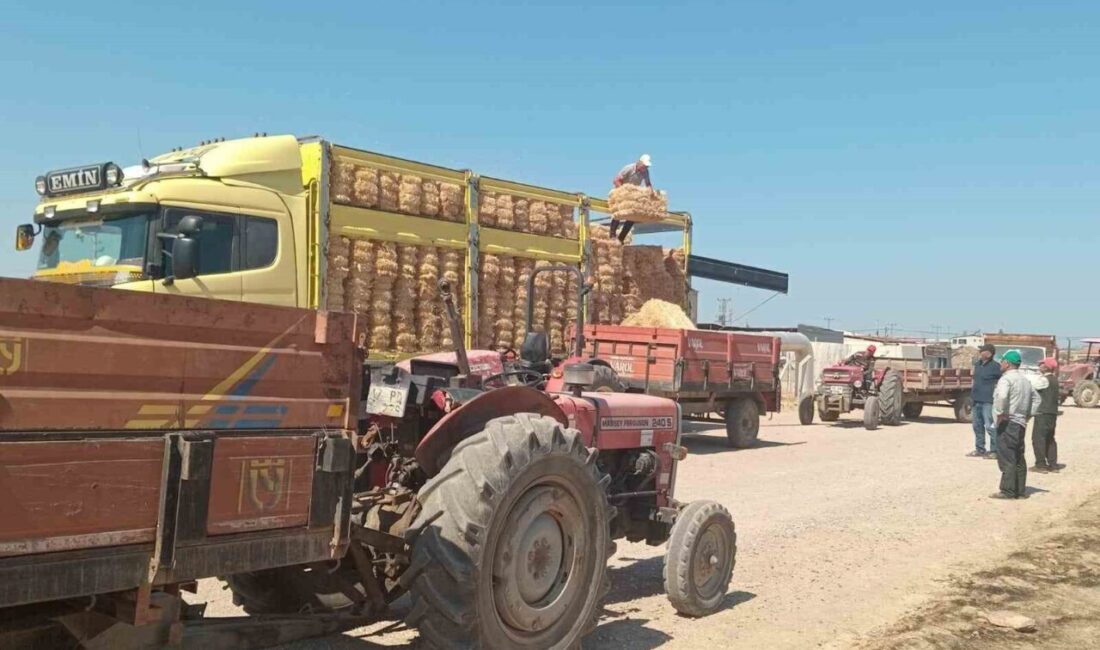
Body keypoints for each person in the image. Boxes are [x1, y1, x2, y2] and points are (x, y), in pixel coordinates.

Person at [990, 349, 1038, 499]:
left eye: (1002, 361)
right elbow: (1037, 399)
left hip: (1008, 422)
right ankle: (1020, 490)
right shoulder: (1025, 380)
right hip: (1020, 422)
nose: (1000, 364)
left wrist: (1000, 413)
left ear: (1007, 363)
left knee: (1007, 456)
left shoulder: (1006, 379)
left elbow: (1002, 396)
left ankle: (1008, 491)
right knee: (1018, 455)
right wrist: (1028, 415)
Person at [610, 154, 654, 243]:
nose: (646, 168)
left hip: (633, 196)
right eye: (645, 166)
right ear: (639, 163)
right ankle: (612, 235)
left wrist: (651, 192)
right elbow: (616, 180)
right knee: (619, 212)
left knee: (633, 216)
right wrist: (625, 190)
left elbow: (648, 184)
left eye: (647, 166)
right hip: (622, 192)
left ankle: (621, 239)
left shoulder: (645, 172)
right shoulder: (628, 168)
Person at [969, 343, 1002, 459]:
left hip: (988, 401)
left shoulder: (996, 367)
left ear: (989, 353)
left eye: (982, 351)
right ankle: (980, 449)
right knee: (977, 426)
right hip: (976, 400)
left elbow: (1002, 382)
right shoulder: (977, 365)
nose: (980, 352)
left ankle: (995, 451)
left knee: (990, 426)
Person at [1030, 357, 1061, 473]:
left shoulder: (1044, 380)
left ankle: (1041, 464)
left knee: (1038, 438)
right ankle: (1053, 464)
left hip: (1042, 412)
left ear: (1046, 367)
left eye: (1041, 364)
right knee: (1050, 438)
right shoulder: (1055, 380)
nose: (1039, 366)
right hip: (1052, 413)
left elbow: (1033, 387)